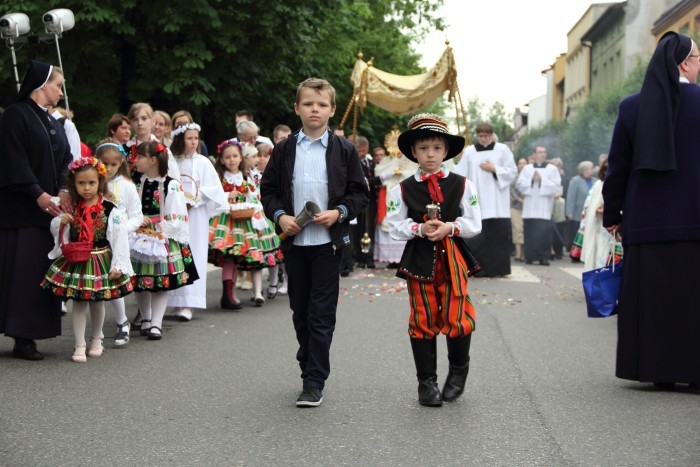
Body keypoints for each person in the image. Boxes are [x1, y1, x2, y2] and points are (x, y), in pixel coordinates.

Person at [261, 77, 369, 407]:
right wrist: (280, 216)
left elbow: (359, 193)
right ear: (297, 108)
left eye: (322, 105)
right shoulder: (284, 149)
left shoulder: (345, 150)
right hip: (295, 245)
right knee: (300, 311)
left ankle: (313, 379)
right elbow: (269, 191)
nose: (315, 110)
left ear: (332, 110)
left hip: (328, 245)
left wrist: (339, 212)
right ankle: (308, 355)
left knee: (320, 313)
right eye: (308, 104)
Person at [602, 31, 700, 390]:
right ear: (685, 63)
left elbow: (618, 167)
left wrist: (612, 214)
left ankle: (657, 370)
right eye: (699, 58)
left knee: (654, 302)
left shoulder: (631, 106)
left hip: (648, 223)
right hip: (696, 219)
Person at [387, 113, 482, 407]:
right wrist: (418, 228)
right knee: (422, 317)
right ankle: (426, 383)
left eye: (437, 148)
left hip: (453, 259)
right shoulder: (400, 189)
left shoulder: (463, 185)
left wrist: (449, 227)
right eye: (424, 148)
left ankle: (457, 373)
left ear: (446, 151)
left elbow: (475, 223)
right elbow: (393, 226)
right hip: (419, 260)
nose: (431, 154)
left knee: (457, 315)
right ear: (413, 152)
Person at [0, 60, 73, 360]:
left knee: (39, 274)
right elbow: (13, 160)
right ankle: (22, 336)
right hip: (22, 210)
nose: (60, 91)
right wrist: (38, 194)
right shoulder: (16, 116)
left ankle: (32, 331)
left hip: (48, 212)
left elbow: (67, 160)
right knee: (20, 274)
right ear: (41, 85)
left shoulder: (54, 123)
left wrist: (64, 189)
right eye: (57, 85)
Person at [40, 156, 133, 362]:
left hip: (100, 260)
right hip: (77, 261)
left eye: (91, 182)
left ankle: (97, 338)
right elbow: (58, 231)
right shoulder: (71, 207)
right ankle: (80, 343)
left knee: (98, 302)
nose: (87, 188)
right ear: (74, 183)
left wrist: (118, 263)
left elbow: (119, 237)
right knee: (79, 302)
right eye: (81, 183)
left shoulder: (110, 209)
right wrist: (60, 221)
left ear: (100, 182)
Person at [130, 142, 198, 340]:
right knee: (139, 280)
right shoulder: (136, 182)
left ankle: (156, 323)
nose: (135, 161)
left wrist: (162, 229)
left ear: (152, 160)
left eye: (139, 156)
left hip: (161, 234)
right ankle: (145, 318)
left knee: (160, 281)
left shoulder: (171, 184)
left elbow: (176, 213)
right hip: (139, 233)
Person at [167, 123, 227, 321]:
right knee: (175, 252)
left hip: (195, 214)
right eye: (189, 138)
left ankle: (189, 302)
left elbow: (213, 188)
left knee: (194, 252)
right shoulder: (172, 160)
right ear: (180, 140)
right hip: (176, 213)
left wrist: (195, 199)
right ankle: (175, 301)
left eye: (196, 138)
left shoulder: (202, 162)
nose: (194, 142)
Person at [96, 140, 144, 345]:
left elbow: (137, 216)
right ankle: (96, 331)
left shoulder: (126, 186)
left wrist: (123, 229)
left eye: (113, 164)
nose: (108, 169)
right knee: (96, 282)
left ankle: (122, 321)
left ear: (120, 164)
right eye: (104, 164)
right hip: (97, 240)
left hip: (117, 240)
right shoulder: (92, 182)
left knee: (114, 278)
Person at [454, 122, 517, 276]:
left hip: (497, 204)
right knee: (478, 239)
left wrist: (494, 169)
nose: (483, 139)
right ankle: (477, 269)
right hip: (478, 202)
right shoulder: (469, 152)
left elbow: (512, 171)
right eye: (480, 136)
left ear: (491, 134)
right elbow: (461, 175)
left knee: (497, 239)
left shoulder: (502, 149)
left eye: (486, 136)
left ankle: (498, 270)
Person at [209, 139, 265, 310]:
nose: (232, 160)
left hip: (243, 223)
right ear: (222, 160)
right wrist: (226, 195)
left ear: (241, 158)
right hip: (225, 222)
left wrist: (258, 223)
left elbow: (254, 200)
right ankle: (227, 294)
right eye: (227, 157)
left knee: (235, 258)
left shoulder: (246, 179)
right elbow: (212, 199)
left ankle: (229, 294)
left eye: (235, 156)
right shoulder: (219, 179)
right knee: (228, 257)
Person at [516, 145, 561, 265]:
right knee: (530, 233)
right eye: (539, 152)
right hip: (530, 207)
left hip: (544, 207)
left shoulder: (552, 169)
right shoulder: (527, 169)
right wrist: (531, 180)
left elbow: (556, 186)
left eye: (544, 152)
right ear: (534, 155)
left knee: (544, 233)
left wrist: (541, 180)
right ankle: (529, 257)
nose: (542, 154)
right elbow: (520, 184)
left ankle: (543, 257)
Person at [125, 103, 180, 181]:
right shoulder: (124, 149)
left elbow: (174, 179)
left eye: (144, 118)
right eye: (135, 119)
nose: (140, 123)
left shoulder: (162, 150)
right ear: (130, 123)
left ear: (153, 121)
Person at [353, 136, 378, 269]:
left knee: (370, 230)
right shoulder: (352, 163)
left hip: (371, 200)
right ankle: (360, 258)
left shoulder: (372, 162)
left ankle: (370, 258)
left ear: (367, 149)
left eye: (363, 151)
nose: (361, 154)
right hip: (358, 200)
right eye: (359, 151)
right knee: (358, 230)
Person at [565, 160, 595, 253]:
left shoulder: (596, 181)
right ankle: (575, 254)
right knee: (577, 234)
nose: (592, 170)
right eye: (591, 168)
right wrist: (569, 212)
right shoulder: (575, 180)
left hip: (592, 213)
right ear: (584, 170)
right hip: (578, 213)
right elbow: (570, 197)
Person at [510, 157, 527, 262]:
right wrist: (519, 199)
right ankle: (518, 252)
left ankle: (524, 254)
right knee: (517, 229)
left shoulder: (529, 176)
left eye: (524, 163)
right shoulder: (514, 177)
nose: (522, 165)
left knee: (525, 229)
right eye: (520, 163)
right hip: (515, 206)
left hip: (527, 208)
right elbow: (511, 190)